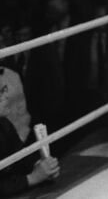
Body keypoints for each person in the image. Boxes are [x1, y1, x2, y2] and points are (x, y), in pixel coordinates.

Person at [0, 66, 60, 196]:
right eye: (1, 92)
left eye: (5, 89)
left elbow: (20, 154)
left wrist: (41, 166)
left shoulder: (3, 123)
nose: (7, 96)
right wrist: (32, 178)